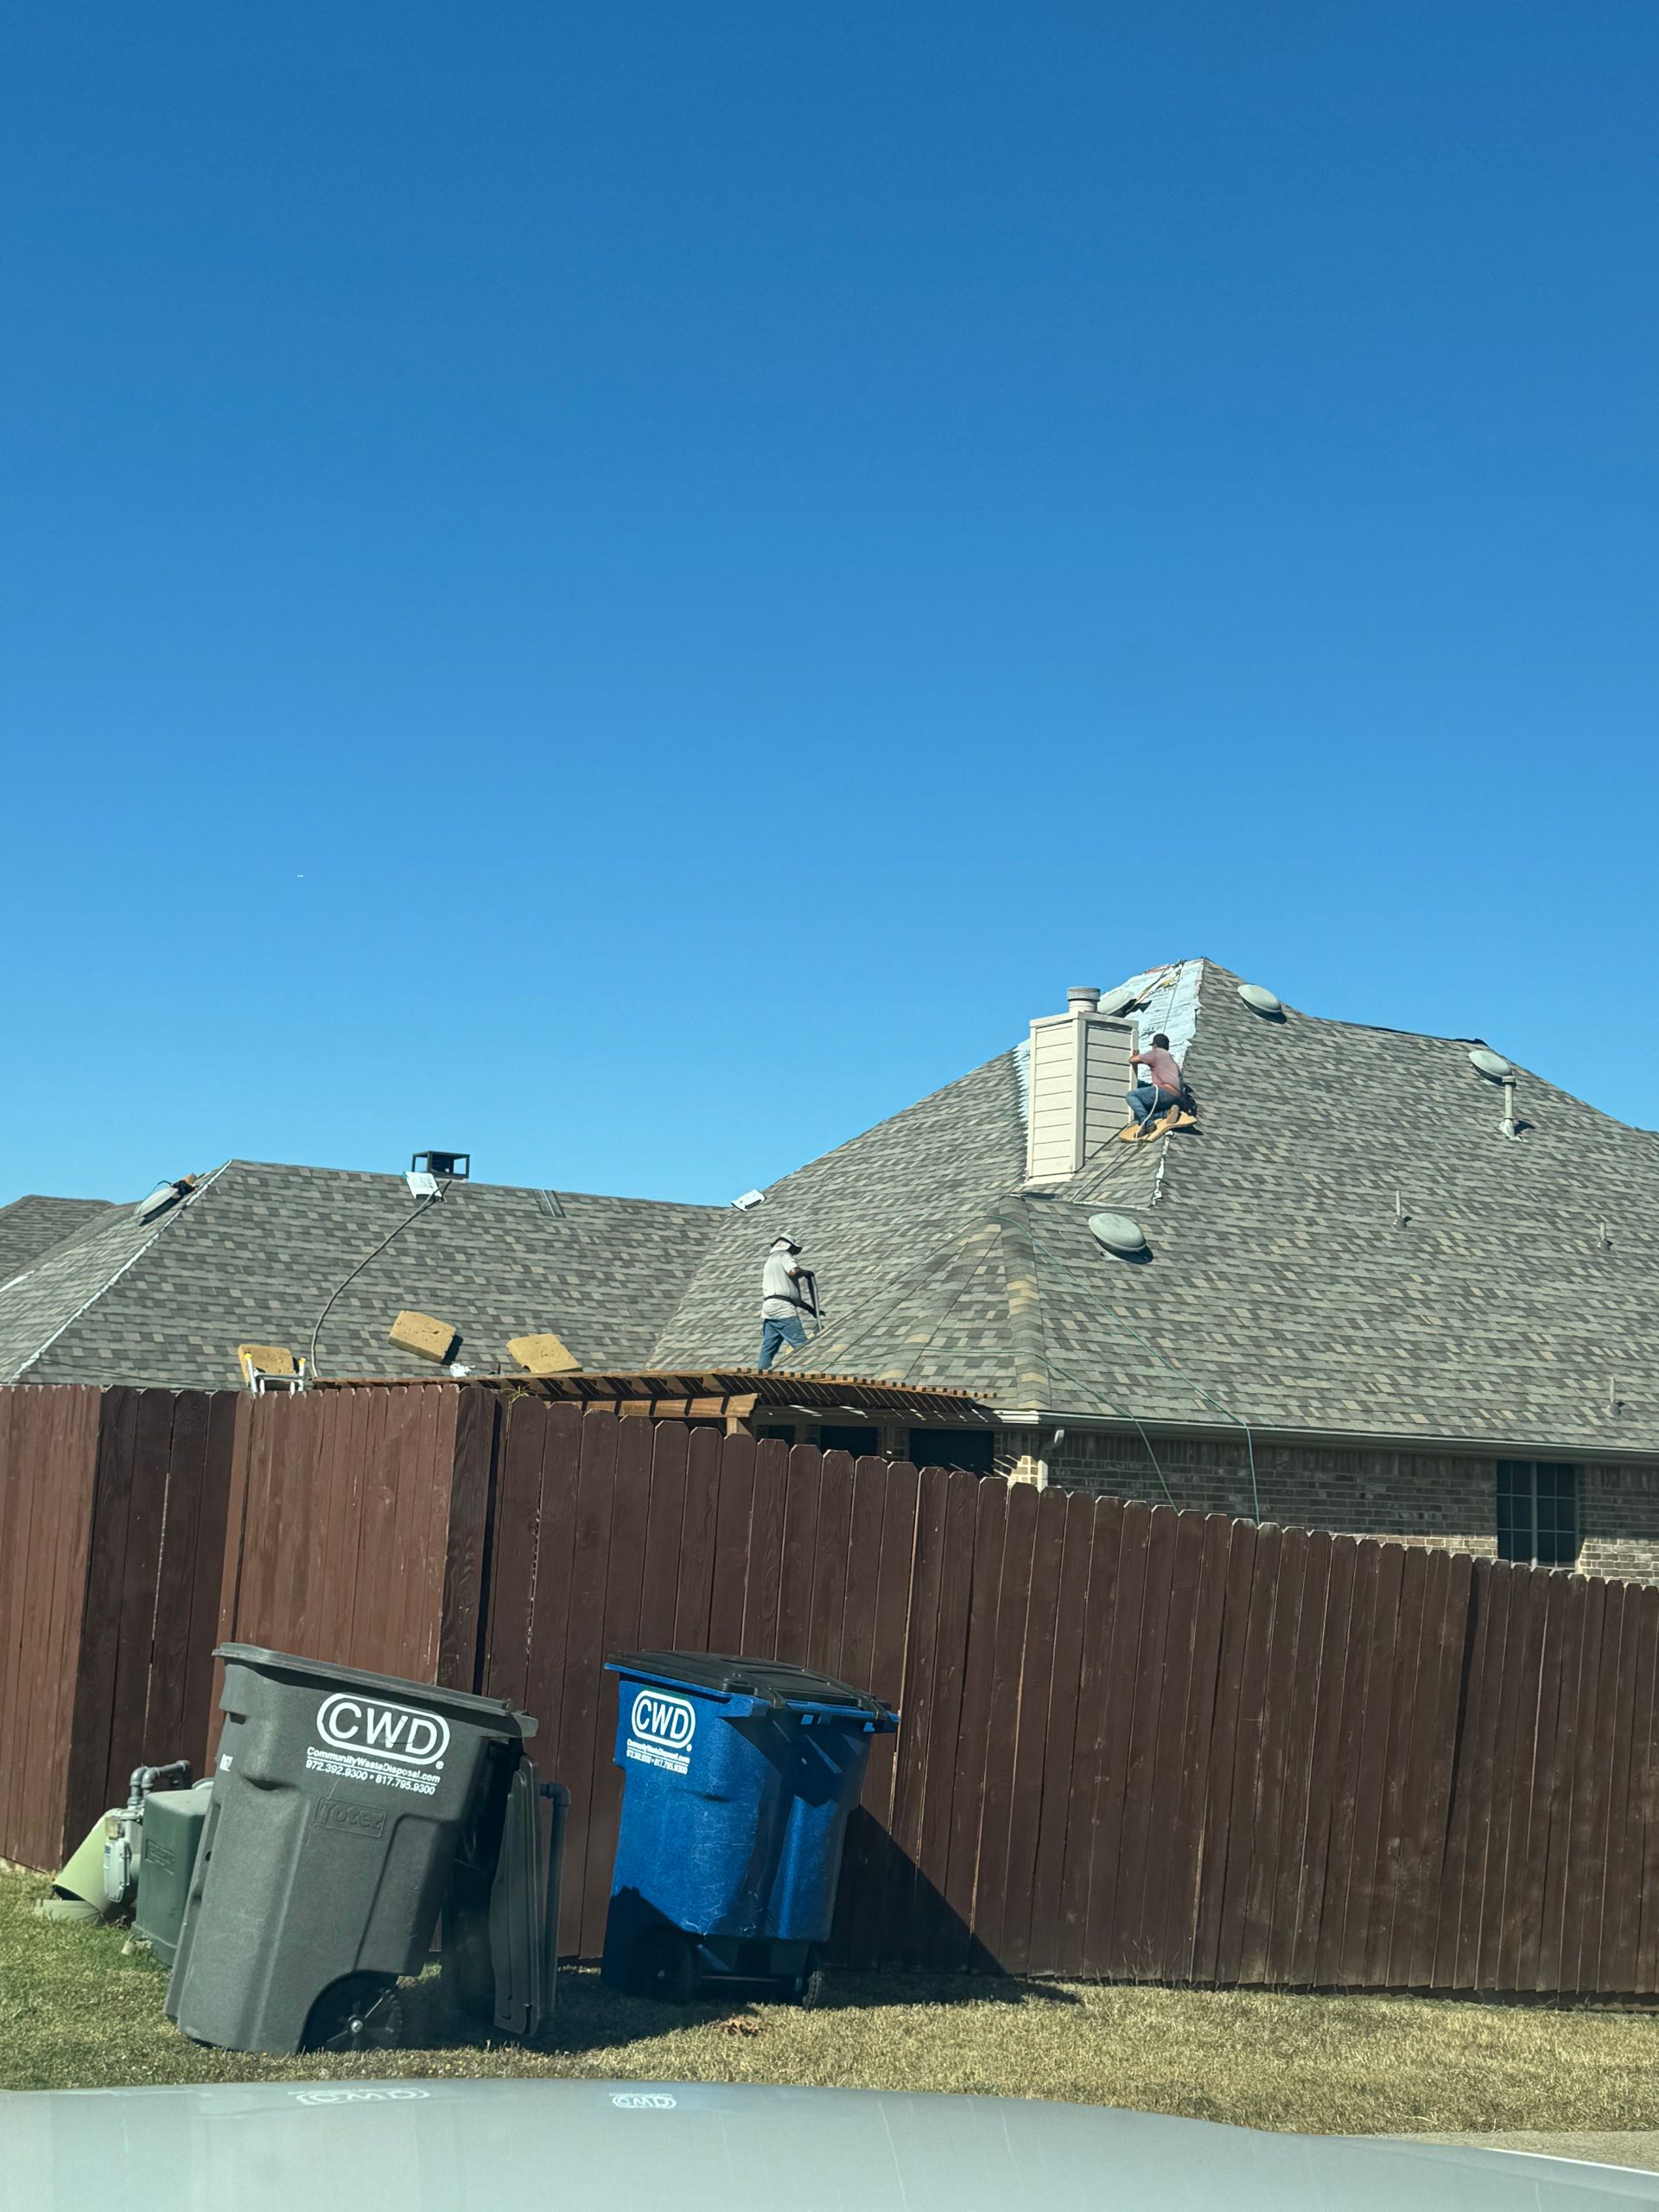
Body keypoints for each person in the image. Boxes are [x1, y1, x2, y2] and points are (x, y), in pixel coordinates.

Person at [759, 1235, 811, 1370]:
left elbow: (794, 1299)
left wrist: (812, 1310)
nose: (793, 1253)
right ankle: (810, 1371)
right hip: (783, 1308)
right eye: (793, 1250)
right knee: (802, 1345)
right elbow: (794, 1272)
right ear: (789, 1247)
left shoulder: (769, 1261)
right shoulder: (784, 1256)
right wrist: (805, 1273)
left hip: (769, 1309)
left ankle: (761, 1374)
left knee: (768, 1347)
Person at [1122, 1033, 1186, 1138]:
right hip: (1177, 1097)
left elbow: (1132, 1060)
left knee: (1132, 1096)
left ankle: (1147, 1122)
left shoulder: (1155, 1053)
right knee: (1143, 1108)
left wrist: (1135, 1055)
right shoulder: (1171, 1060)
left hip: (1164, 1092)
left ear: (1155, 1046)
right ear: (1168, 1047)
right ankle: (1166, 1113)